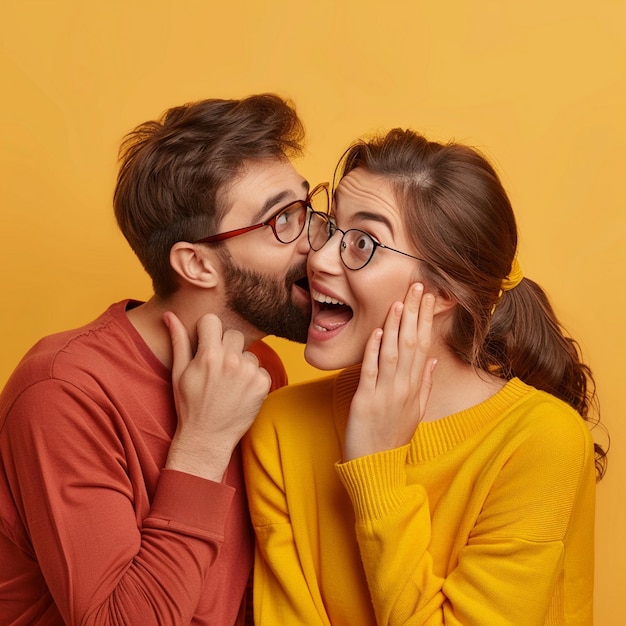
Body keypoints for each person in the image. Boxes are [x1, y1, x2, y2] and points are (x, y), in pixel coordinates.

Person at [243, 128, 607, 625]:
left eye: (363, 243)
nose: (319, 259)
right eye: (330, 230)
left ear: (441, 293)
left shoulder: (541, 442)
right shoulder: (278, 428)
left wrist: (377, 464)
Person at [0, 94, 328, 625]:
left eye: (307, 208)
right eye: (282, 221)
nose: (317, 243)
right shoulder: (62, 391)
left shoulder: (259, 368)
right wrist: (202, 446)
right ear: (196, 263)